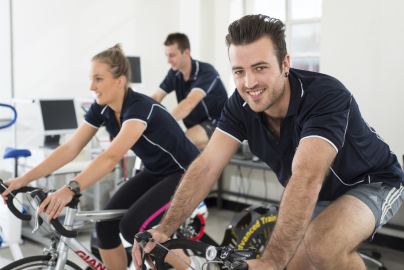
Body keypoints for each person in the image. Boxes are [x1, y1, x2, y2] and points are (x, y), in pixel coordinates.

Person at [133, 14, 404, 270]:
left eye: (260, 68)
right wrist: (164, 229)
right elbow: (206, 166)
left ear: (285, 63)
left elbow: (306, 178)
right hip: (320, 194)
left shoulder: (325, 95)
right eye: (239, 71)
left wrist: (271, 261)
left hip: (372, 182)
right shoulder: (239, 105)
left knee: (322, 245)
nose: (249, 82)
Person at [1, 44, 199, 270]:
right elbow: (70, 148)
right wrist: (21, 180)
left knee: (134, 228)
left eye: (98, 79)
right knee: (104, 227)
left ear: (120, 80)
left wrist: (71, 188)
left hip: (188, 172)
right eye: (91, 79)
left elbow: (111, 156)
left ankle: (190, 268)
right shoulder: (102, 108)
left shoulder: (139, 108)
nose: (91, 86)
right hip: (156, 172)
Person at [151, 32, 228, 150]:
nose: (168, 61)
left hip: (219, 123)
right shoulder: (174, 73)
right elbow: (156, 97)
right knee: (168, 141)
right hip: (197, 126)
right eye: (167, 56)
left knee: (181, 142)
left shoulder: (206, 72)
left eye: (172, 55)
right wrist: (141, 115)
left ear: (186, 52)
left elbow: (189, 103)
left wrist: (164, 123)